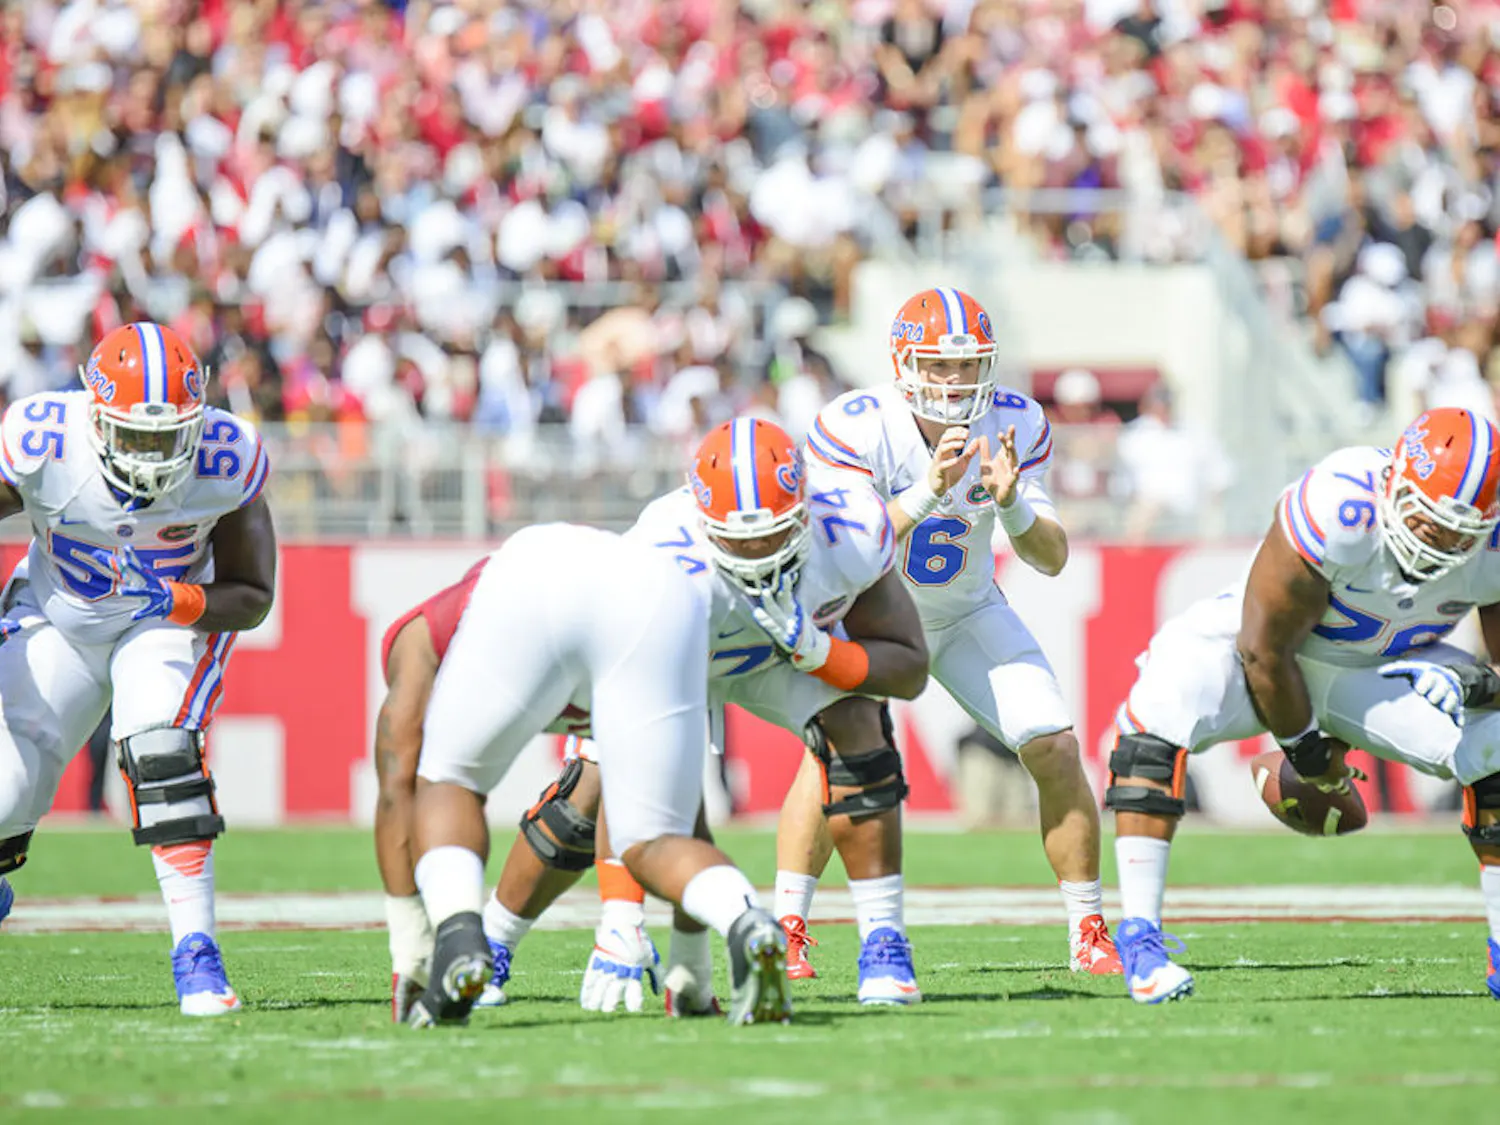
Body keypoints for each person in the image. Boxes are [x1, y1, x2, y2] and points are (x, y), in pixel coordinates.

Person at [479, 418, 933, 1008]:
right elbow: (626, 750)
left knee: (860, 726)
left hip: (785, 658)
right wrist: (621, 917)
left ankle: (884, 942)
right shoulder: (658, 562)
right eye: (740, 540)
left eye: (773, 534)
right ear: (702, 521)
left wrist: (825, 653)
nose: (757, 553)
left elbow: (909, 666)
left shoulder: (849, 526)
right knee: (585, 797)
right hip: (680, 658)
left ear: (804, 509)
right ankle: (490, 945)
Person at [1107, 407, 1500, 1003]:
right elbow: (1263, 648)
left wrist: (1475, 686)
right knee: (1159, 710)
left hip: (1374, 673)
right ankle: (1139, 938)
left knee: (1493, 744)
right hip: (1266, 649)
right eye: (1427, 520)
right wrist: (1312, 755)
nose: (1438, 542)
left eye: (1458, 533)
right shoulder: (1341, 505)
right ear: (1395, 482)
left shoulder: (1491, 552)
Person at [791, 286, 1121, 976]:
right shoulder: (856, 424)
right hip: (873, 616)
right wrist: (926, 493)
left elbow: (1052, 558)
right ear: (904, 363)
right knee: (832, 759)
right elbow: (846, 551)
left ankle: (1089, 926)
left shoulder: (1015, 422)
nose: (955, 380)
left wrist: (1013, 509)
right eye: (938, 366)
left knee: (1056, 745)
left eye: (967, 365)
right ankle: (790, 924)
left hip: (965, 609)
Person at [404, 521, 793, 1028]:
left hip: (587, 607)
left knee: (452, 779)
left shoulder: (442, 620)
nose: (757, 542)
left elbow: (401, 771)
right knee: (638, 824)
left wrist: (404, 946)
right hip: (660, 612)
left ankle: (467, 939)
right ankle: (743, 923)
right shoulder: (674, 548)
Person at [0, 321, 275, 1016]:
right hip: (58, 615)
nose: (153, 454)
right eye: (136, 434)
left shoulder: (224, 456)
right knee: (6, 795)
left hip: (164, 621)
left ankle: (197, 954)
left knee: (160, 745)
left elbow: (251, 595)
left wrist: (176, 597)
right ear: (93, 416)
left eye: (166, 437)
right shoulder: (44, 442)